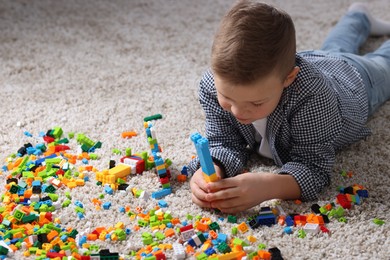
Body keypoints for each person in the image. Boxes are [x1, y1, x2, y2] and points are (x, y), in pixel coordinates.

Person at [187, 0, 390, 214]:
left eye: (256, 103)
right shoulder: (212, 84)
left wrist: (266, 186)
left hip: (355, 81)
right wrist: (211, 169)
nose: (237, 112)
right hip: (319, 62)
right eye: (227, 97)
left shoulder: (312, 97)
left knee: (382, 62)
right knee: (335, 47)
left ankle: (360, 22)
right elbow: (224, 142)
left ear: (288, 78)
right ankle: (358, 16)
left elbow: (314, 168)